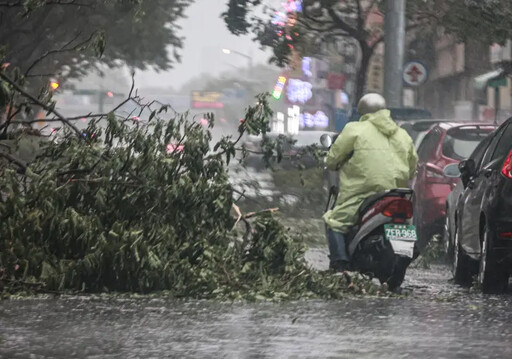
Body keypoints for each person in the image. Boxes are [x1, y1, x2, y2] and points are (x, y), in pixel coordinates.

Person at [323, 93, 418, 272]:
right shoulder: (402, 134)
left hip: (362, 192)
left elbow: (333, 159)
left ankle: (340, 265)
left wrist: (332, 162)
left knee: (335, 222)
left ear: (362, 111)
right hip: (396, 192)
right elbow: (413, 165)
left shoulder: (354, 129)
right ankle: (403, 255)